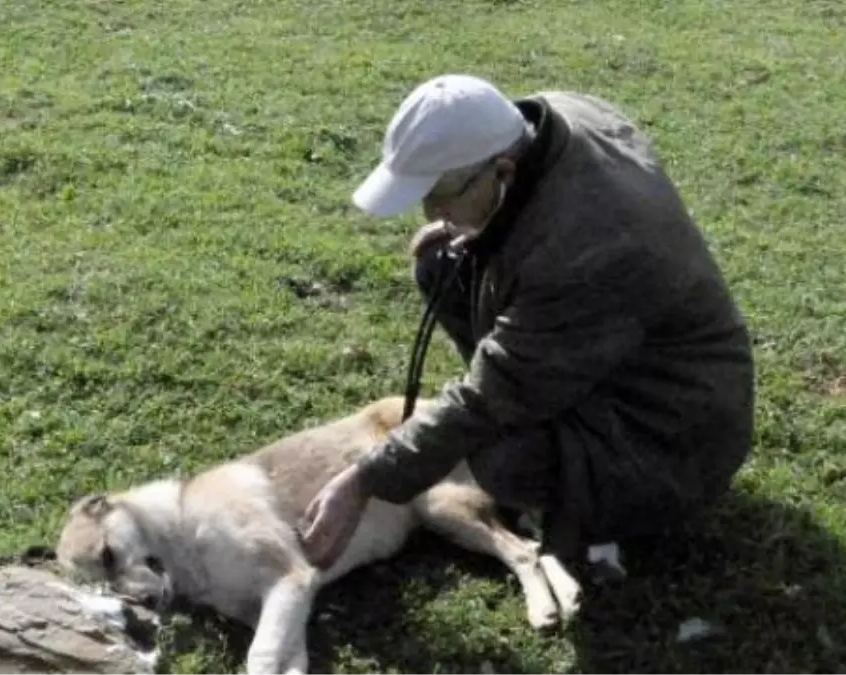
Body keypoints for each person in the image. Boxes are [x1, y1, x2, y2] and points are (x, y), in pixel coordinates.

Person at [299, 74, 756, 570]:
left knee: (501, 459)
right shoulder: (554, 117)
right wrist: (475, 223)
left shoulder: (586, 254)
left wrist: (365, 479)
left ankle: (613, 510)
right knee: (440, 261)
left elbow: (491, 394)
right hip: (615, 347)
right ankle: (549, 420)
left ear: (502, 169)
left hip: (673, 429)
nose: (431, 211)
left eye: (442, 194)